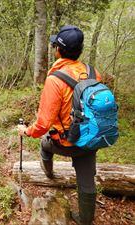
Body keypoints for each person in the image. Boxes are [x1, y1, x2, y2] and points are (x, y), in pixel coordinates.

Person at [17, 25, 101, 225]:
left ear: (58, 50)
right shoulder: (93, 73)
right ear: (80, 50)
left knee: (45, 144)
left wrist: (26, 131)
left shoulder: (55, 80)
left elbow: (43, 124)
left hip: (66, 143)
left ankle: (49, 173)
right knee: (87, 180)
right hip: (90, 140)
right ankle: (85, 220)